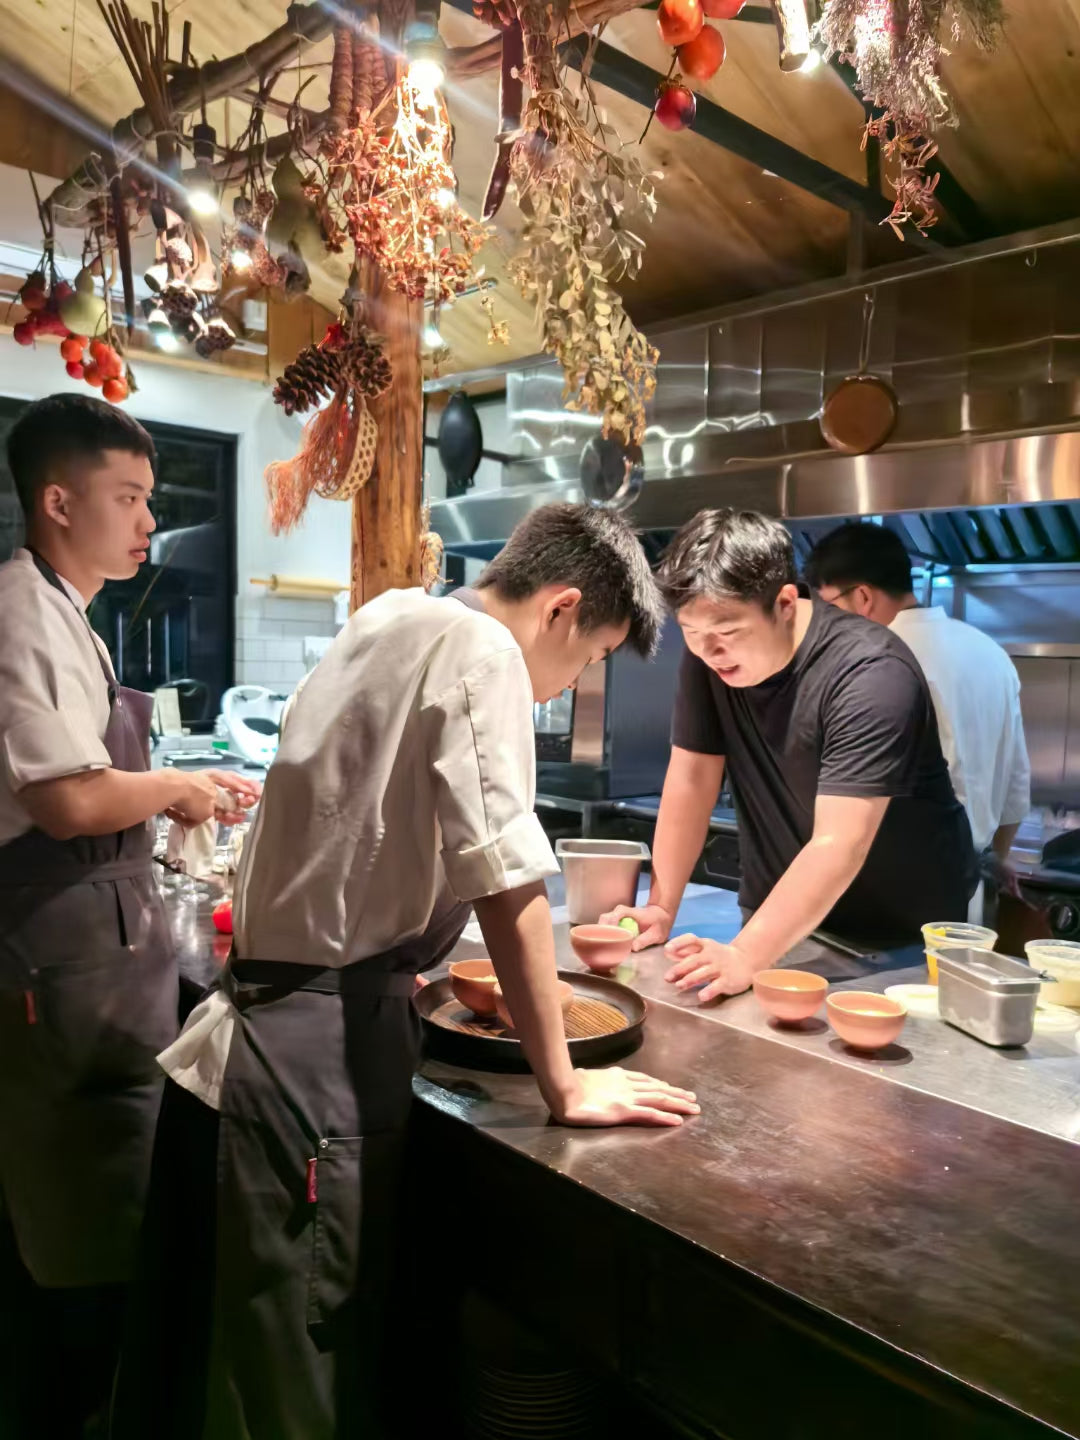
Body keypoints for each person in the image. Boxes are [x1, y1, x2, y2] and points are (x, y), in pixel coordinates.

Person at [112, 503, 698, 1440]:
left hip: (264, 1029)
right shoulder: (486, 652)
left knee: (236, 1356)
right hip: (312, 1061)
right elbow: (507, 876)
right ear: (560, 608)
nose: (572, 681)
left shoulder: (392, 615)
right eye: (590, 659)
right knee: (301, 1365)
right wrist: (564, 1082)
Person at [0, 394, 259, 1437]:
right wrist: (175, 790)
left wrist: (167, 790)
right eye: (132, 498)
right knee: (77, 1207)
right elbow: (65, 798)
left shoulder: (62, 607)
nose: (151, 522)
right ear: (59, 502)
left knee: (96, 1196)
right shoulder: (23, 611)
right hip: (58, 953)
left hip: (90, 945)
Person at [603, 508, 977, 1002]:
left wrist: (745, 955)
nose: (709, 651)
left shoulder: (871, 673)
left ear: (784, 602)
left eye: (728, 633)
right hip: (780, 919)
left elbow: (840, 842)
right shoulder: (708, 660)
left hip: (899, 936)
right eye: (691, 633)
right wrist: (662, 906)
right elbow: (692, 776)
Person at [804, 522, 1031, 891]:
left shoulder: (873, 663)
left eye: (828, 606)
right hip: (965, 880)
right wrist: (993, 860)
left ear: (862, 597)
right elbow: (1016, 789)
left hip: (891, 883)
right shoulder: (990, 652)